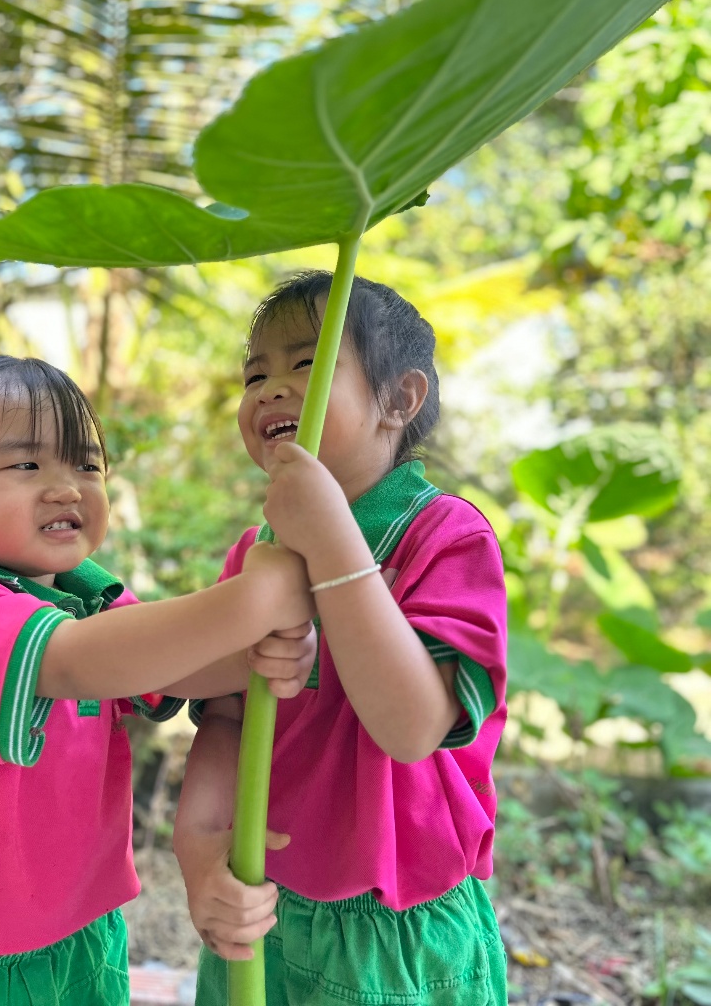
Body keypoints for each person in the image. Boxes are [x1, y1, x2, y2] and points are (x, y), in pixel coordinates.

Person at [0, 354, 318, 1006]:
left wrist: (254, 654)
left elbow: (167, 667)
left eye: (87, 464)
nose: (67, 486)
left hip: (85, 935)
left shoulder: (83, 599)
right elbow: (71, 663)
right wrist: (252, 602)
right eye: (26, 464)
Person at [174, 271, 509, 1006]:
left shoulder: (444, 536)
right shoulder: (257, 549)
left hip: (391, 932)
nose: (270, 388)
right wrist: (201, 857)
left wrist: (331, 546)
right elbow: (226, 717)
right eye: (254, 372)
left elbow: (413, 726)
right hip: (262, 911)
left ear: (400, 399)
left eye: (305, 363)